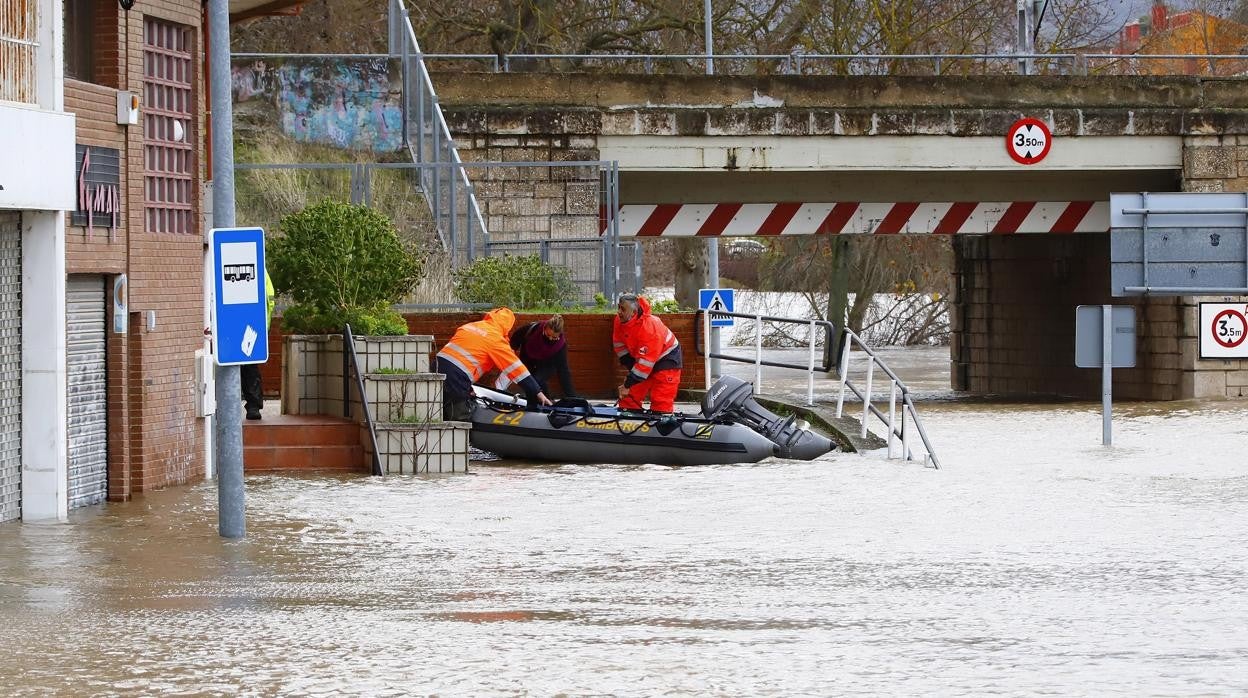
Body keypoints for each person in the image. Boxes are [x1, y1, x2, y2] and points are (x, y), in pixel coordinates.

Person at [436, 307, 553, 421]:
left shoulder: (469, 326)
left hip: (436, 368)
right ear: (507, 326)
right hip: (456, 378)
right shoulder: (495, 340)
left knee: (436, 411)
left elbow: (461, 357)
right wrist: (538, 392)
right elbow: (518, 370)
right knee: (461, 417)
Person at [612, 293, 683, 414]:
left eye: (622, 309)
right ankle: (629, 417)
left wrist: (628, 383)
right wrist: (631, 372)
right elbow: (619, 343)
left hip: (667, 358)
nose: (618, 312)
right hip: (644, 359)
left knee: (661, 399)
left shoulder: (649, 328)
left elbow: (644, 365)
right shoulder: (620, 321)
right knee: (629, 398)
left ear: (634, 312)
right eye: (618, 307)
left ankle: (661, 419)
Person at [510, 314, 577, 399]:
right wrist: (512, 351)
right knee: (528, 382)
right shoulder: (532, 329)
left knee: (537, 380)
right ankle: (534, 404)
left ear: (559, 335)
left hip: (547, 364)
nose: (550, 339)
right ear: (544, 328)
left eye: (554, 337)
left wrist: (572, 397)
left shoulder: (560, 345)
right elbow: (516, 337)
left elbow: (563, 370)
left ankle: (547, 403)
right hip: (528, 358)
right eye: (548, 335)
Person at [242, 270, 276, 420]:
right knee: (249, 367)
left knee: (248, 367)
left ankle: (253, 405)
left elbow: (268, 301)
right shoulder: (259, 267)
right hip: (255, 325)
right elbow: (270, 301)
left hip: (252, 325)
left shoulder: (257, 267)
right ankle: (253, 406)